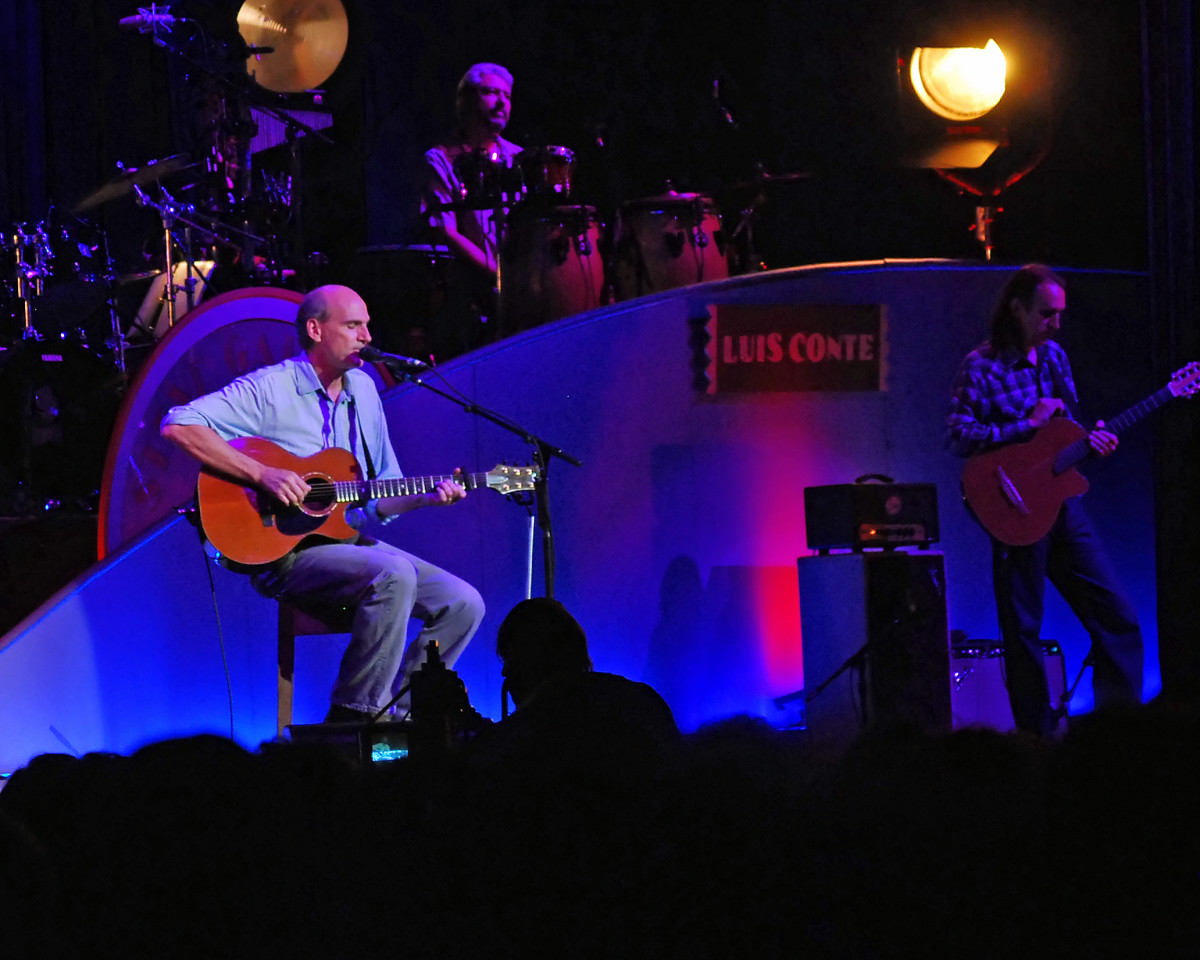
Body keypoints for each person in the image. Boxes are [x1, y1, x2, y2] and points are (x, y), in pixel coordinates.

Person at [161, 284, 485, 724]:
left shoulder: (365, 392)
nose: (367, 336)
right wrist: (263, 474)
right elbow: (179, 424)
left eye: (367, 325)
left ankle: (405, 717)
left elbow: (375, 498)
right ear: (315, 329)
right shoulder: (271, 388)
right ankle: (355, 718)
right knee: (394, 574)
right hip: (282, 553)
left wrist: (424, 498)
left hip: (343, 543)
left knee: (464, 603)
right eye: (353, 325)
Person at [945, 264, 1143, 736]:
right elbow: (958, 437)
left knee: (1117, 615)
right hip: (1012, 511)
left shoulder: (1054, 358)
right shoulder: (982, 366)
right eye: (1046, 313)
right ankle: (1035, 741)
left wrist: (1091, 440)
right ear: (1017, 308)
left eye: (1060, 314)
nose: (1055, 323)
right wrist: (1025, 424)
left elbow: (1065, 431)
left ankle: (1116, 731)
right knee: (1023, 630)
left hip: (1062, 506)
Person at [479, 598, 680, 777]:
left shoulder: (527, 734)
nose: (505, 672)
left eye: (509, 657)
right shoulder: (640, 701)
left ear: (531, 654)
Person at [418, 62, 521, 289]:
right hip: (470, 288)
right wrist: (499, 275)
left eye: (507, 95)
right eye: (492, 92)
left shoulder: (518, 157)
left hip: (524, 281)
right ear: (465, 101)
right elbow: (446, 231)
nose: (502, 102)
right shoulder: (441, 159)